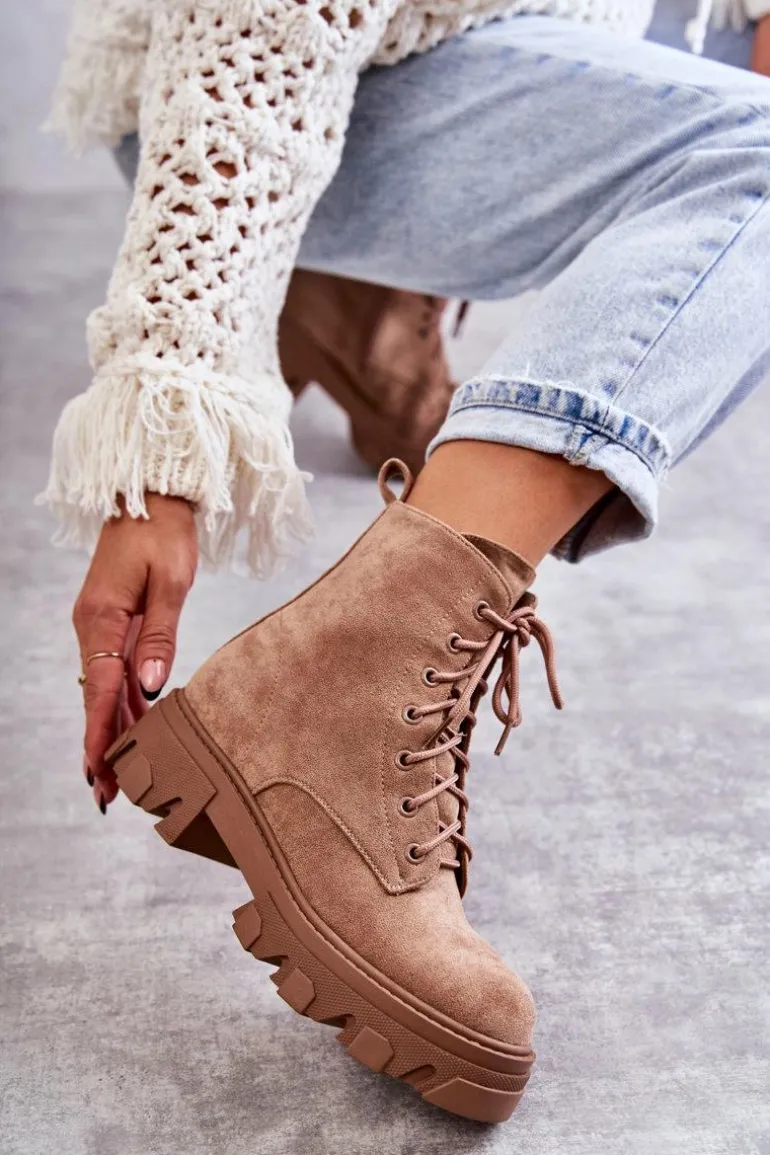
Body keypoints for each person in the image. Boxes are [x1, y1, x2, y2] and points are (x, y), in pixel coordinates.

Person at [48, 0, 770, 1123]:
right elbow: (250, 31)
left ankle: (359, 309)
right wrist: (160, 443)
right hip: (242, 82)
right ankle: (347, 679)